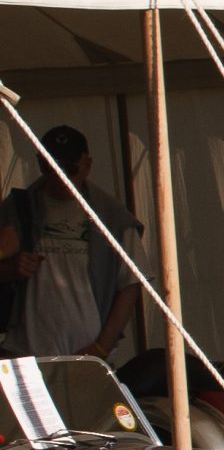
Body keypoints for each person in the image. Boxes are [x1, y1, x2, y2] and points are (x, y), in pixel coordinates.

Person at [0, 124, 143, 360]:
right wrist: (9, 266)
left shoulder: (112, 217)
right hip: (23, 352)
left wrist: (100, 348)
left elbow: (130, 285)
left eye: (68, 169)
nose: (59, 178)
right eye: (50, 167)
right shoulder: (16, 209)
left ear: (87, 164)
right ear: (39, 162)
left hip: (87, 355)